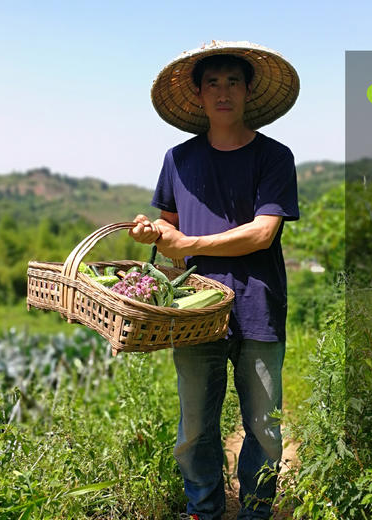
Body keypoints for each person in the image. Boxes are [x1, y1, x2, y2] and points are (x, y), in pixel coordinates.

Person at [129, 41, 300, 520]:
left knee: (264, 427)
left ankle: (255, 512)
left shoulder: (274, 157)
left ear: (247, 92)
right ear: (199, 96)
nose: (223, 91)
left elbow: (263, 233)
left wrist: (188, 245)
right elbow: (168, 232)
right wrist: (153, 232)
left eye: (232, 82)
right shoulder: (178, 160)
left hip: (258, 305)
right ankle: (202, 509)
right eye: (213, 83)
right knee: (194, 428)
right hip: (193, 311)